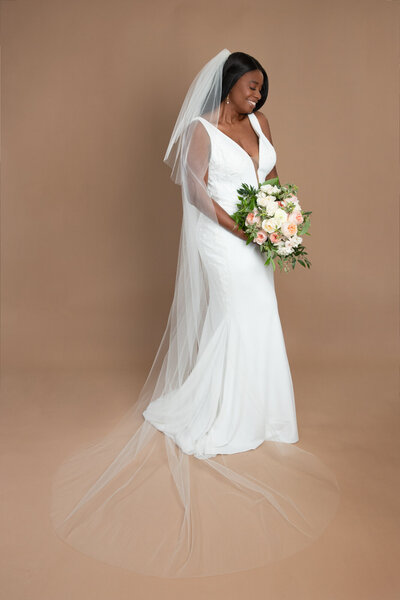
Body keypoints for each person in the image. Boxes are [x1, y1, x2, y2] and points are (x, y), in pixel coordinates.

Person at [51, 49, 340, 578]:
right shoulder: (200, 131)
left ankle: (264, 411)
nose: (257, 96)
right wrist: (243, 229)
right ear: (228, 85)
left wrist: (283, 216)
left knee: (261, 314)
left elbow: (274, 174)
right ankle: (219, 413)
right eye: (251, 87)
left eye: (261, 89)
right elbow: (196, 192)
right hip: (221, 235)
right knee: (235, 313)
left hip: (258, 233)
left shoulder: (260, 121)